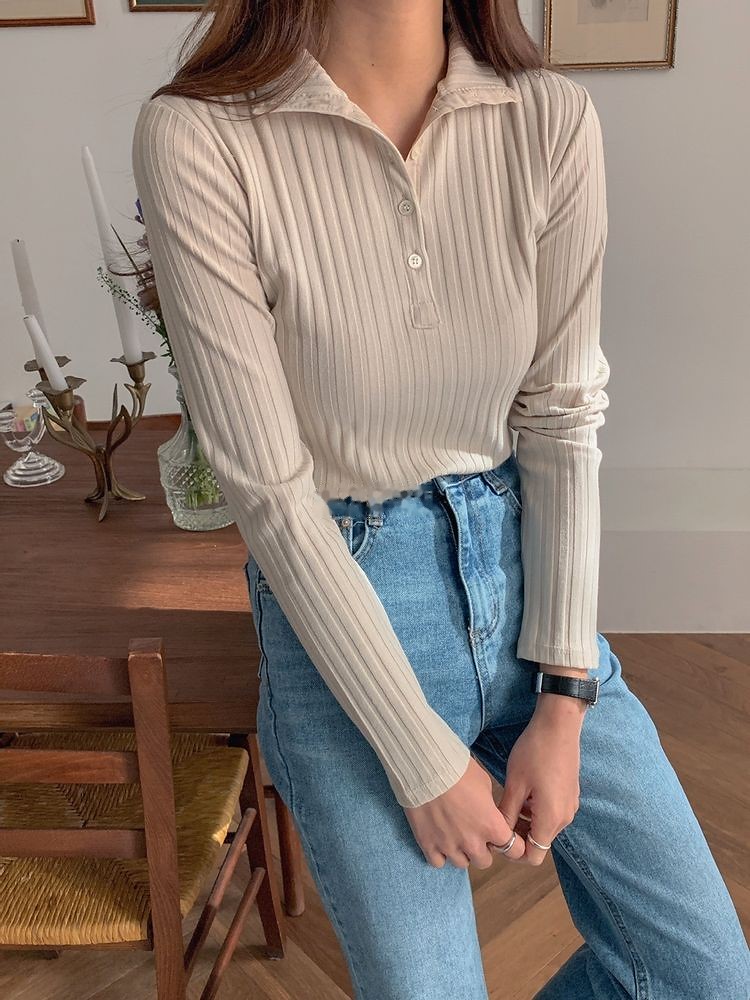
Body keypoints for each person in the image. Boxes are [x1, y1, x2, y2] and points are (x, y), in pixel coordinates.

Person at [131, 1, 750, 997]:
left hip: (522, 579)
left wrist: (564, 698)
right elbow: (268, 491)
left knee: (707, 976)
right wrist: (420, 757)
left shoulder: (547, 118)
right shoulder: (200, 135)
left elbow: (561, 418)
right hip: (345, 609)